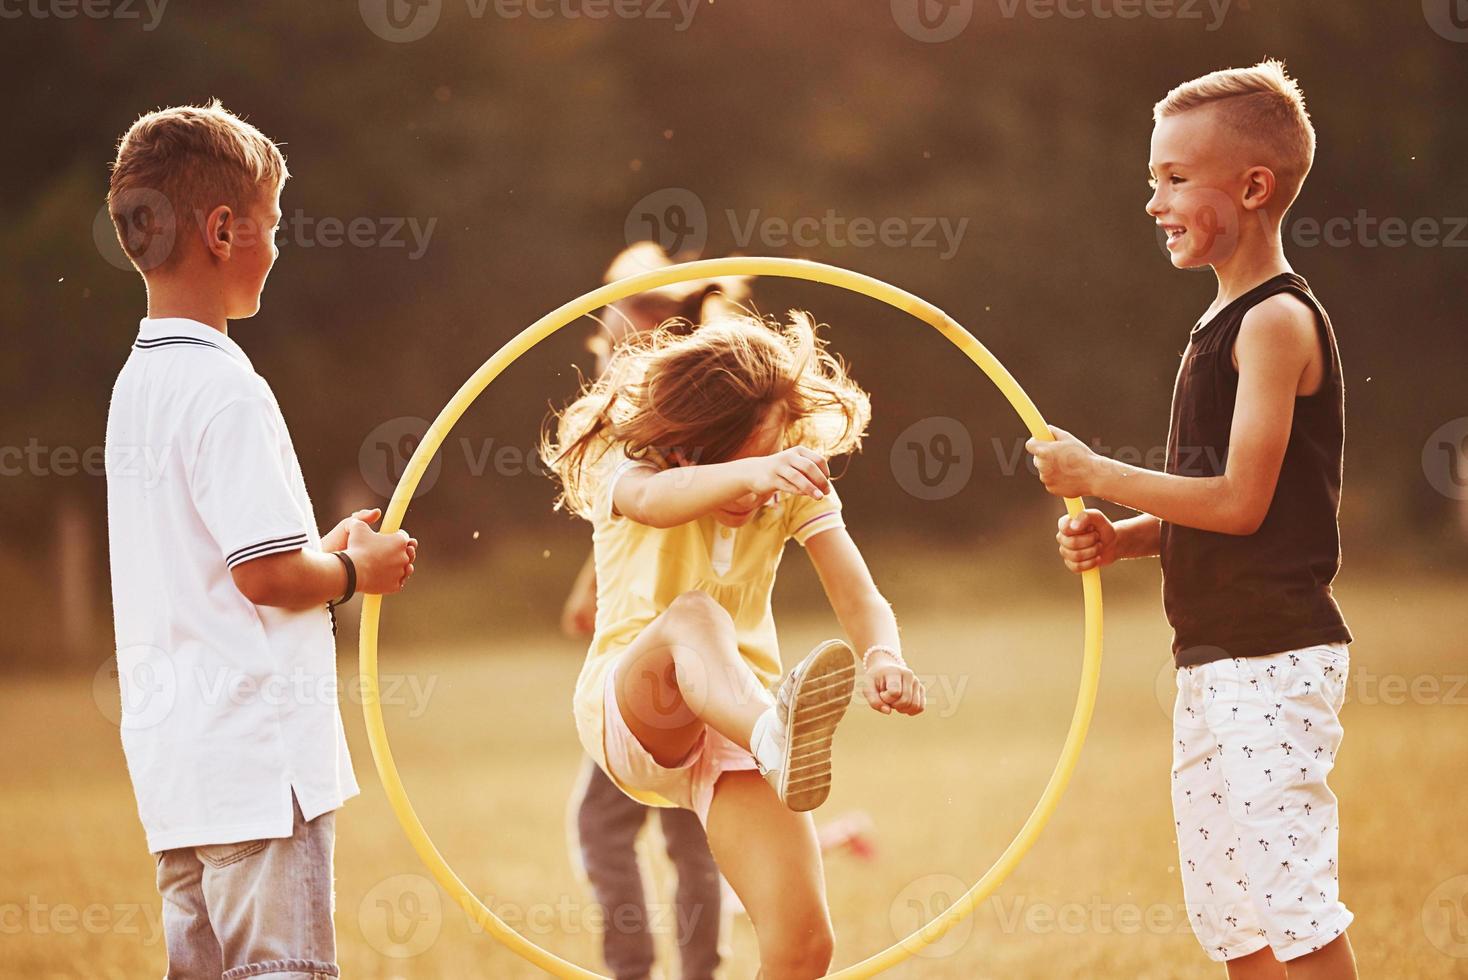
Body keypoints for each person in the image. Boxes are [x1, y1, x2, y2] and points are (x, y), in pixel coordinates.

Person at [1026, 61, 1357, 978]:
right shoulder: (1219, 321)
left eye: (1174, 179)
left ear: (1253, 188)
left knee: (1291, 904)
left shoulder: (1275, 323)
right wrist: (1125, 536)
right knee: (1230, 910)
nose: (1153, 201)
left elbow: (1242, 505)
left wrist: (1100, 473)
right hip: (1212, 660)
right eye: (1151, 180)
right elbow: (1216, 504)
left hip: (1274, 655)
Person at [103, 101, 417, 978]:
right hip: (258, 770)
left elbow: (230, 564)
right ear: (223, 228)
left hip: (181, 773)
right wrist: (356, 569)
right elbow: (270, 577)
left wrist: (320, 548)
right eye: (272, 225)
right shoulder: (227, 387)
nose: (276, 247)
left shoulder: (141, 383)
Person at [542, 309, 926, 979]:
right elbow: (655, 500)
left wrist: (883, 656)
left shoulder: (789, 486)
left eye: (772, 451)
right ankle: (775, 736)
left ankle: (772, 738)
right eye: (740, 460)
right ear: (688, 444)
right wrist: (756, 473)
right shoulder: (623, 459)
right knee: (696, 615)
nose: (759, 478)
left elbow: (858, 596)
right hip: (633, 707)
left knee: (804, 948)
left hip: (735, 732)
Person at [563, 242, 752, 980]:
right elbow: (632, 510)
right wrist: (588, 584)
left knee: (614, 823)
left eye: (637, 304)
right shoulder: (694, 401)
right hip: (689, 642)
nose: (619, 318)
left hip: (655, 647)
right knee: (685, 830)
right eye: (619, 301)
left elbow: (646, 499)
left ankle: (637, 968)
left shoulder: (662, 406)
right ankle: (690, 968)